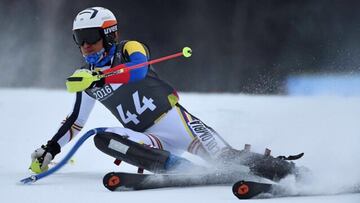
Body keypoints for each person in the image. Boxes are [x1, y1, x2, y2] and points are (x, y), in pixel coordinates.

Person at [30, 7, 299, 180]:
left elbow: (136, 71)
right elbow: (75, 122)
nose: (86, 46)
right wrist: (50, 149)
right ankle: (180, 170)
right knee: (103, 138)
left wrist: (103, 76)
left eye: (91, 37)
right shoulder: (85, 77)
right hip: (146, 138)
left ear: (109, 35)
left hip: (177, 123)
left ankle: (292, 174)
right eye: (79, 39)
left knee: (229, 160)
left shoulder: (129, 48)